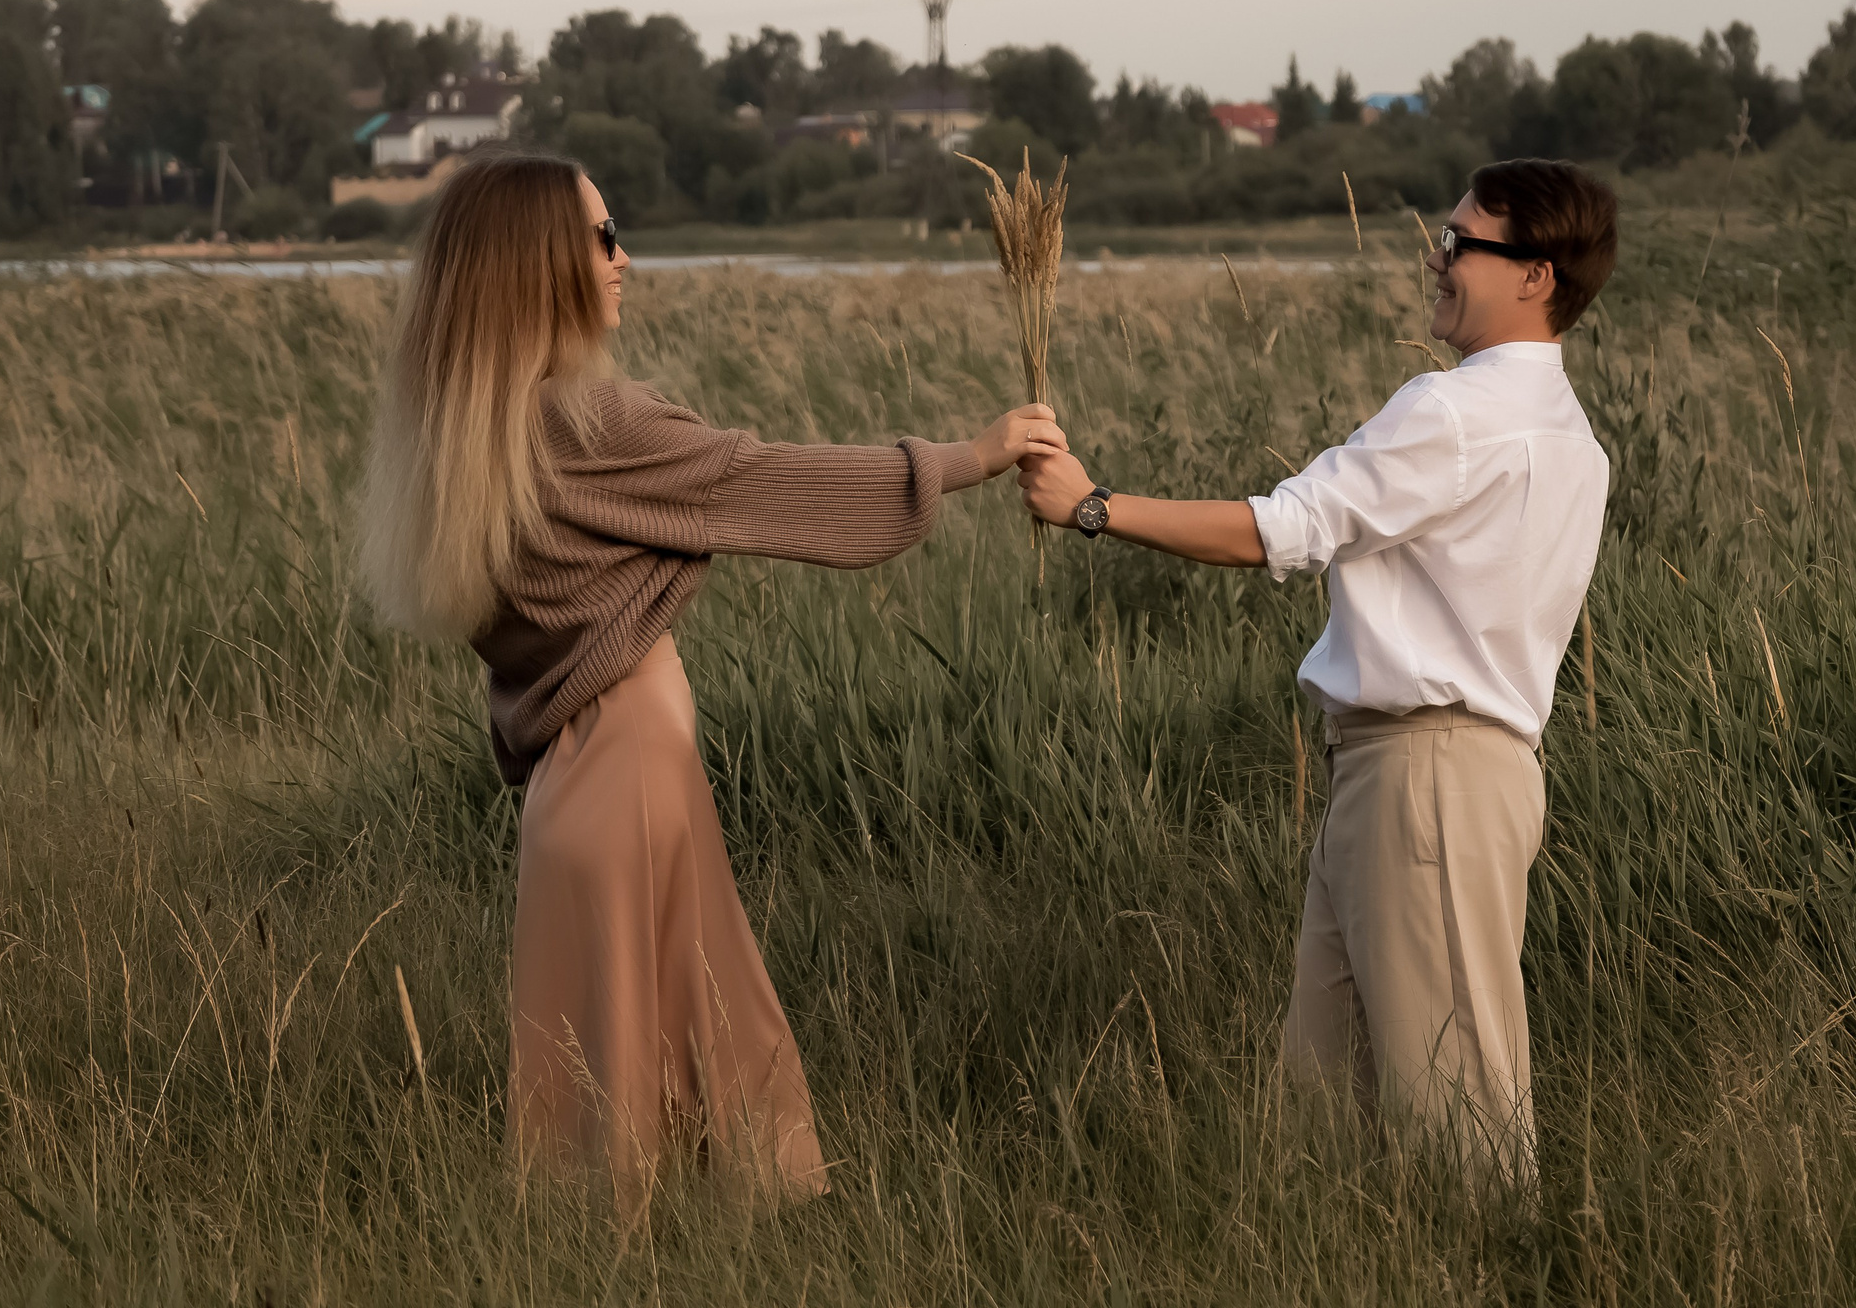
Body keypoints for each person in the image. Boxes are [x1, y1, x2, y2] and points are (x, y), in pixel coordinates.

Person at [359, 150, 1064, 1215]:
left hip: (568, 792)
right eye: (602, 238)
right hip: (636, 772)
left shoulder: (472, 439)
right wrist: (968, 456)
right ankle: (751, 1253)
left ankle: (615, 1270)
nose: (622, 256)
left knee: (605, 1067)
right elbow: (762, 480)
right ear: (544, 264)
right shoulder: (595, 423)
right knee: (714, 1041)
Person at [1015, 158, 1616, 1177]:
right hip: (1426, 775)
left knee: (1457, 1116)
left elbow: (1284, 531)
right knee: (1324, 1102)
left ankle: (1503, 1278)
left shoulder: (1459, 411)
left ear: (1535, 276)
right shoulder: (1569, 436)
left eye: (1464, 242)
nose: (1439, 254)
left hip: (1428, 775)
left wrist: (1092, 506)